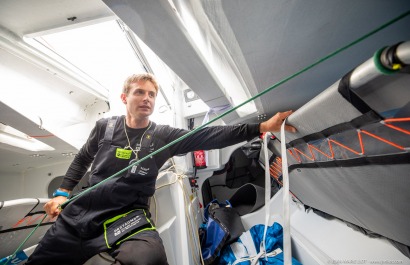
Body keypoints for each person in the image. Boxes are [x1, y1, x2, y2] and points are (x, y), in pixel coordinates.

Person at [26, 73, 296, 265]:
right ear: (124, 97)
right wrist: (62, 191)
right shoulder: (105, 127)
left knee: (151, 257)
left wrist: (261, 127)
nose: (147, 98)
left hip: (128, 218)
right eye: (140, 92)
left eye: (152, 94)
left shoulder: (163, 135)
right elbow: (83, 157)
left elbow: (209, 136)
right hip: (83, 214)